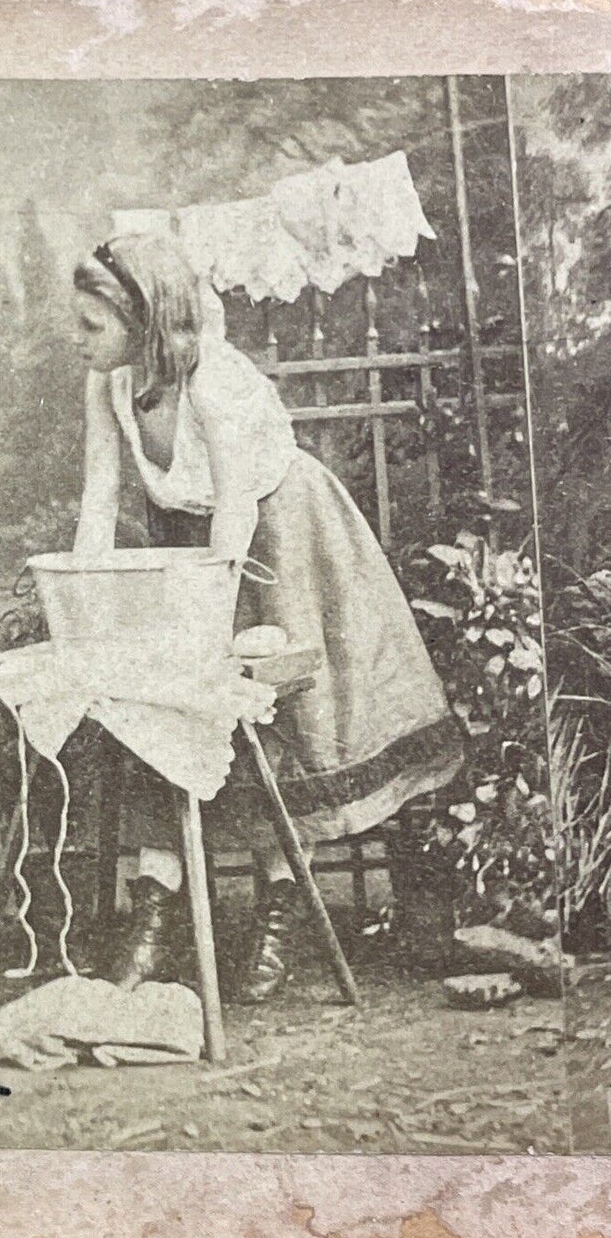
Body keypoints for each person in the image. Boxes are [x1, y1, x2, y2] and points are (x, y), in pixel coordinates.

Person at [70, 232, 462, 1000]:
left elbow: (237, 511)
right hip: (190, 539)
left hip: (279, 533)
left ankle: (281, 908)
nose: (76, 338)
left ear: (144, 319)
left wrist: (209, 613)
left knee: (288, 718)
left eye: (91, 324)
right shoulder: (107, 384)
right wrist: (84, 594)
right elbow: (96, 499)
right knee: (168, 708)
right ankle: (155, 912)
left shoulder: (216, 380)